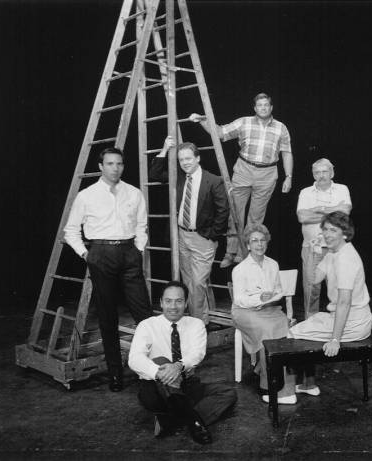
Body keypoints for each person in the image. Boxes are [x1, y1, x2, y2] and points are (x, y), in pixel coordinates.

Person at [64, 147, 153, 392]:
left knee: (143, 313)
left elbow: (142, 225)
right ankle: (116, 373)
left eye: (120, 164)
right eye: (110, 164)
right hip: (101, 254)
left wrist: (138, 249)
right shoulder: (86, 195)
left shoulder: (134, 193)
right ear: (101, 166)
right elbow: (71, 231)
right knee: (107, 315)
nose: (115, 168)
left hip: (128, 252)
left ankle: (155, 368)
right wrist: (87, 254)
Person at [189, 93, 293, 268]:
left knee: (256, 218)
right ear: (255, 108)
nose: (263, 108)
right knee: (235, 213)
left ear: (271, 107)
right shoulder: (244, 122)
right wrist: (202, 121)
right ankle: (231, 252)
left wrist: (288, 176)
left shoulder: (281, 128)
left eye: (266, 105)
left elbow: (286, 152)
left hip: (267, 173)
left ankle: (245, 253)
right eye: (259, 105)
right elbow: (221, 133)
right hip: (244, 169)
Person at [278, 212, 372, 402]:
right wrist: (314, 253)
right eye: (326, 229)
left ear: (345, 234)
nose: (327, 234)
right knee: (310, 322)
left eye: (333, 230)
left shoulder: (346, 258)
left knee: (293, 333)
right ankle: (308, 384)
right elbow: (314, 279)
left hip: (353, 322)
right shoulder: (333, 253)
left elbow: (345, 302)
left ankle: (287, 393)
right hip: (343, 316)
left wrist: (335, 340)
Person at [128, 281, 237, 445]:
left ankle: (172, 420)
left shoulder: (196, 324)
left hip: (187, 383)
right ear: (161, 302)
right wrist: (161, 371)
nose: (173, 306)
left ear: (186, 303)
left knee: (228, 393)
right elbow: (134, 358)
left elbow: (197, 353)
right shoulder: (147, 325)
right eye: (168, 301)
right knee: (160, 361)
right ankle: (194, 421)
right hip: (156, 388)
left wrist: (178, 367)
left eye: (179, 301)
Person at [150, 137, 230, 325]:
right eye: (181, 160)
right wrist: (163, 149)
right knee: (188, 284)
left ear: (197, 158)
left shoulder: (213, 180)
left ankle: (197, 325)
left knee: (197, 284)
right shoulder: (178, 177)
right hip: (182, 236)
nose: (185, 163)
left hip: (202, 238)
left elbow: (223, 211)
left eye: (188, 158)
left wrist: (211, 235)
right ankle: (201, 319)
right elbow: (154, 174)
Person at [231, 224, 293, 397]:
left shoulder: (273, 264)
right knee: (267, 330)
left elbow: (279, 289)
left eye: (262, 240)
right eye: (254, 241)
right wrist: (259, 298)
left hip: (267, 309)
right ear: (248, 245)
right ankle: (268, 384)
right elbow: (239, 299)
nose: (259, 244)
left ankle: (269, 369)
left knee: (286, 325)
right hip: (243, 311)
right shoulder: (240, 269)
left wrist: (272, 297)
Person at [296, 158, 352, 318]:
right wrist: (332, 212)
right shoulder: (305, 192)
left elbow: (344, 213)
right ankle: (310, 320)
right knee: (311, 287)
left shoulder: (342, 189)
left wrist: (318, 209)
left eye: (324, 171)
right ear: (313, 174)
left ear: (332, 172)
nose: (321, 175)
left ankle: (336, 320)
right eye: (317, 172)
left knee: (336, 285)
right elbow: (302, 217)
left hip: (337, 249)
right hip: (312, 247)